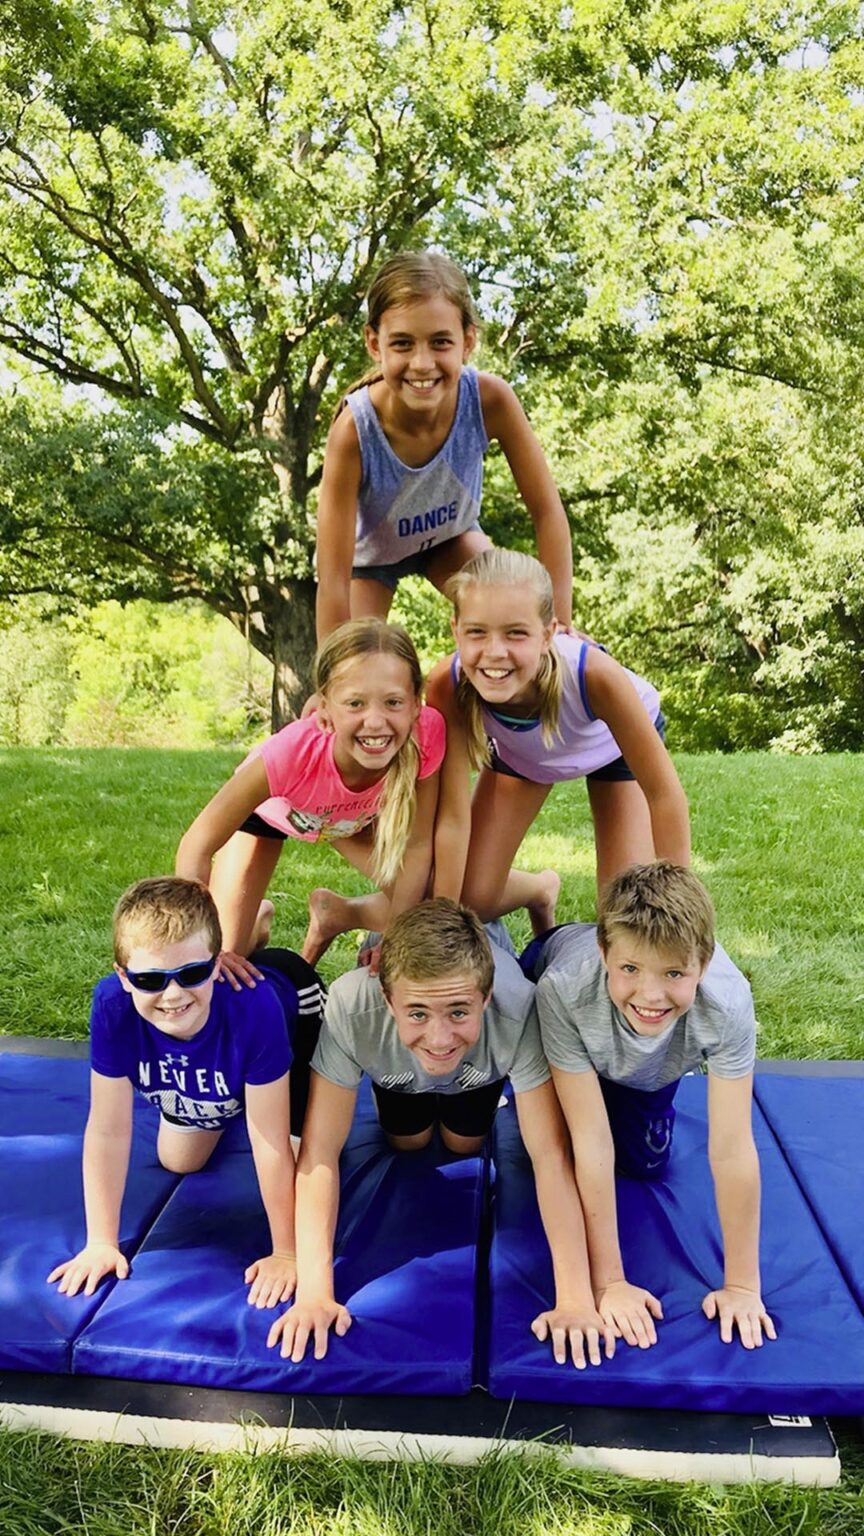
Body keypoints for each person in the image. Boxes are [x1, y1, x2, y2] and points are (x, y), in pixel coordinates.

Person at [266, 898, 617, 1371]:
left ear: (486, 999)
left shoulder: (519, 1006)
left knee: (463, 1144)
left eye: (458, 1011)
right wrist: (314, 1293)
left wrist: (574, 1297)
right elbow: (320, 1154)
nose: (437, 1037)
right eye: (417, 1014)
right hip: (400, 1064)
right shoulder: (353, 1006)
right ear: (388, 1000)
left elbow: (551, 1158)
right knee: (406, 1142)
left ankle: (493, 922)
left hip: (479, 1062)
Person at [526, 861, 777, 1351]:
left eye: (675, 972)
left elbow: (730, 1147)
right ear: (605, 954)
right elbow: (590, 1140)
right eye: (630, 969)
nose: (651, 992)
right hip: (569, 1027)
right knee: (542, 1145)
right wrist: (610, 1284)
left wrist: (743, 1286)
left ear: (703, 966)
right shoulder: (563, 988)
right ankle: (537, 895)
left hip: (645, 1067)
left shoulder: (727, 1002)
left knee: (643, 1164)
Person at [47, 877, 325, 1308]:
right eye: (151, 979)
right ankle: (257, 927)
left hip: (295, 1006)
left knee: (306, 1153)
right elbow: (107, 1129)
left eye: (192, 973)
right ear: (123, 977)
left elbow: (268, 1139)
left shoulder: (257, 1008)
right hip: (224, 1045)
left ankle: (254, 941)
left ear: (216, 964)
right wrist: (101, 1241)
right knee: (179, 1159)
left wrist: (287, 1252)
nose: (172, 994)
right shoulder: (112, 1005)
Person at [314, 250, 573, 642]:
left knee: (516, 621)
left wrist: (561, 626)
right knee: (358, 666)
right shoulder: (355, 430)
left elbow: (547, 511)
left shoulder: (490, 401)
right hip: (367, 563)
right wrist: (332, 676)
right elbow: (332, 575)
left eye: (440, 342)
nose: (422, 363)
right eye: (402, 344)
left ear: (467, 341)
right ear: (373, 342)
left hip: (450, 539)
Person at [426, 547, 691, 929]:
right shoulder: (445, 685)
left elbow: (664, 795)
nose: (495, 652)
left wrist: (679, 907)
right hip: (523, 758)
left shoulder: (596, 676)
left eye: (516, 633)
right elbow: (451, 814)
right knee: (472, 901)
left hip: (611, 751)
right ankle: (540, 889)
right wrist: (442, 919)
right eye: (476, 632)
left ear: (548, 633)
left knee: (624, 912)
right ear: (455, 630)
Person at [176, 619, 449, 976]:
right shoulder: (290, 754)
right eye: (354, 703)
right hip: (272, 816)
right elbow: (196, 845)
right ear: (324, 706)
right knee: (221, 960)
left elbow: (416, 848)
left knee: (427, 901)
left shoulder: (425, 735)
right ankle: (254, 919)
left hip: (347, 820)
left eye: (393, 702)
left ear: (416, 703)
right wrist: (200, 940)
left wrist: (397, 938)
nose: (375, 721)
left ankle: (338, 914)